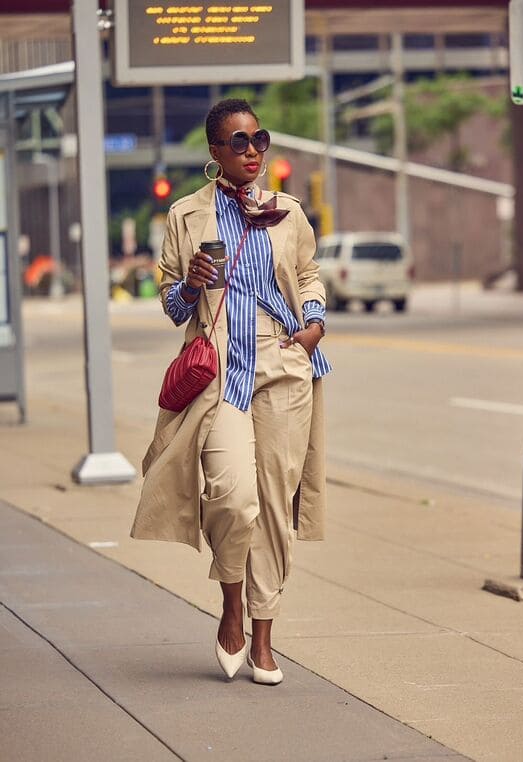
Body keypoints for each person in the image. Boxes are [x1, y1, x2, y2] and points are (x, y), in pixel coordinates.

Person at [131, 98, 331, 685]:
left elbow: (310, 273)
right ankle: (231, 601)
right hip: (218, 373)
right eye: (238, 142)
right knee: (232, 495)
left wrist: (313, 322)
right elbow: (171, 307)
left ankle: (264, 632)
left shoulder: (287, 211)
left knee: (274, 504)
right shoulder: (187, 216)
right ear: (215, 154)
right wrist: (190, 285)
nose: (252, 152)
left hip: (282, 367)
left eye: (258, 140)